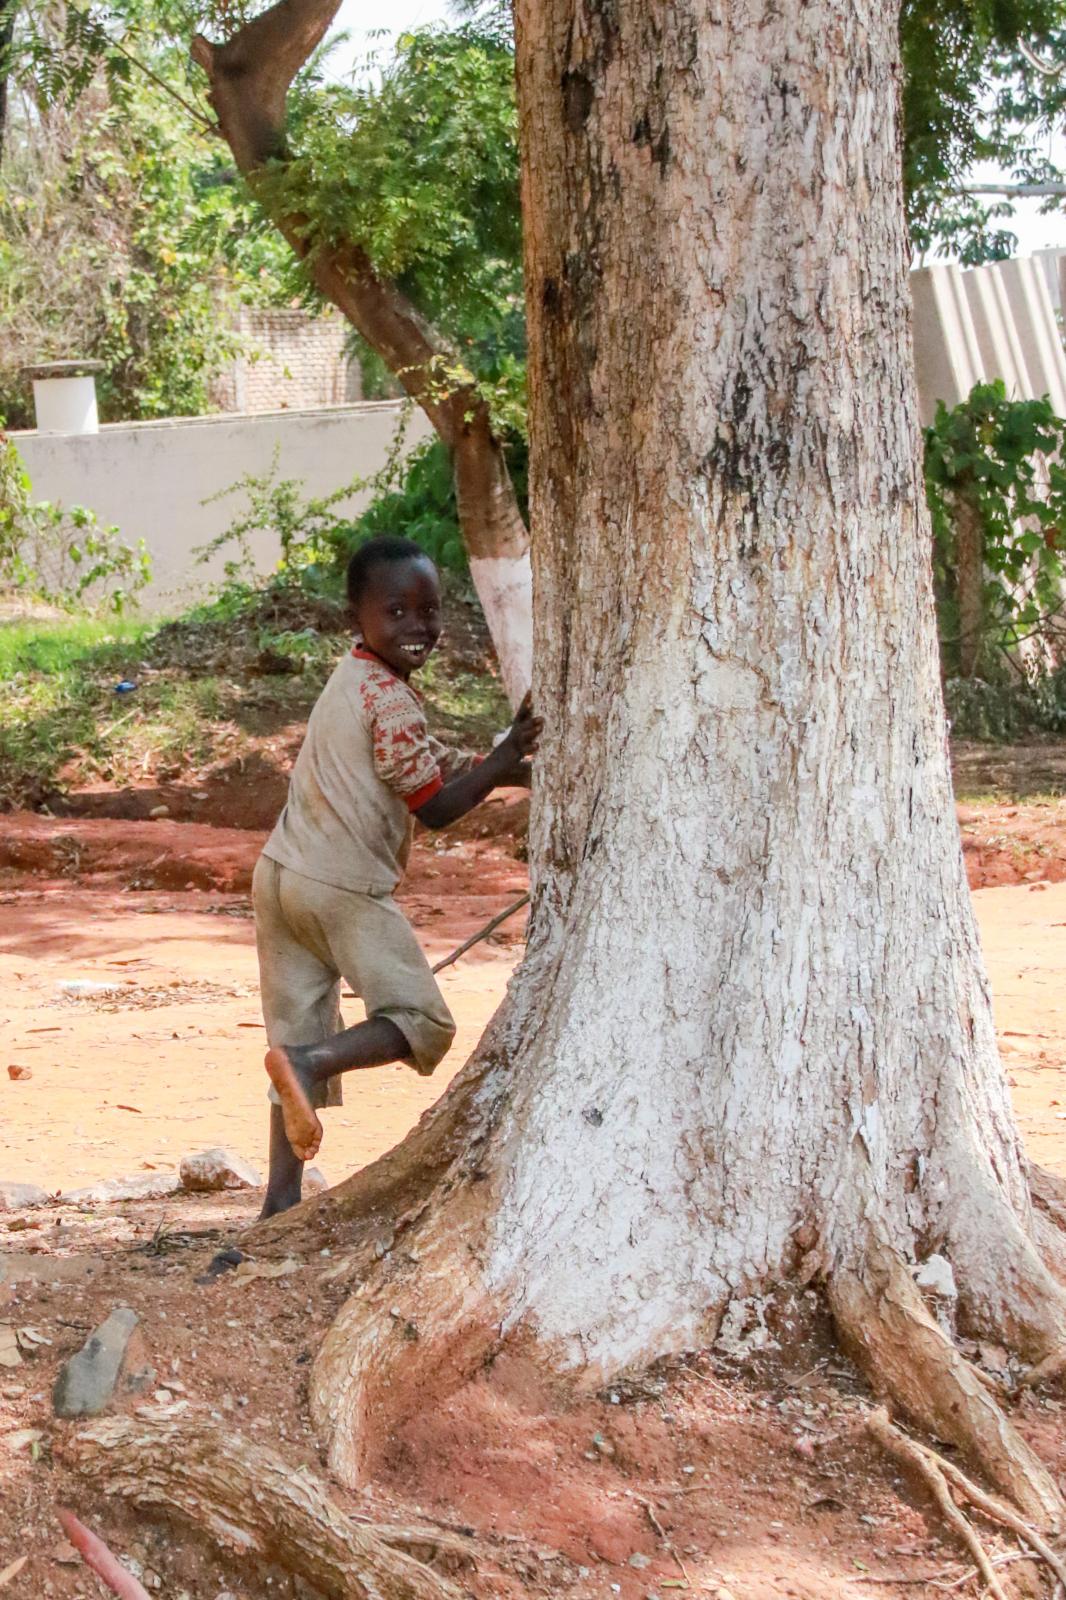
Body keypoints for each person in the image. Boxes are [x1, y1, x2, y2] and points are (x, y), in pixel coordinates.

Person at [252, 535, 542, 1216]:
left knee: (290, 1038)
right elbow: (437, 807)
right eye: (398, 612)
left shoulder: (353, 677)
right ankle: (313, 1066)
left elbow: (431, 760)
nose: (419, 627)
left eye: (430, 611)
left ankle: (279, 1202)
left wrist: (503, 760)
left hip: (278, 878)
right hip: (340, 886)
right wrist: (501, 767)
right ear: (359, 617)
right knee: (421, 1020)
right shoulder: (391, 701)